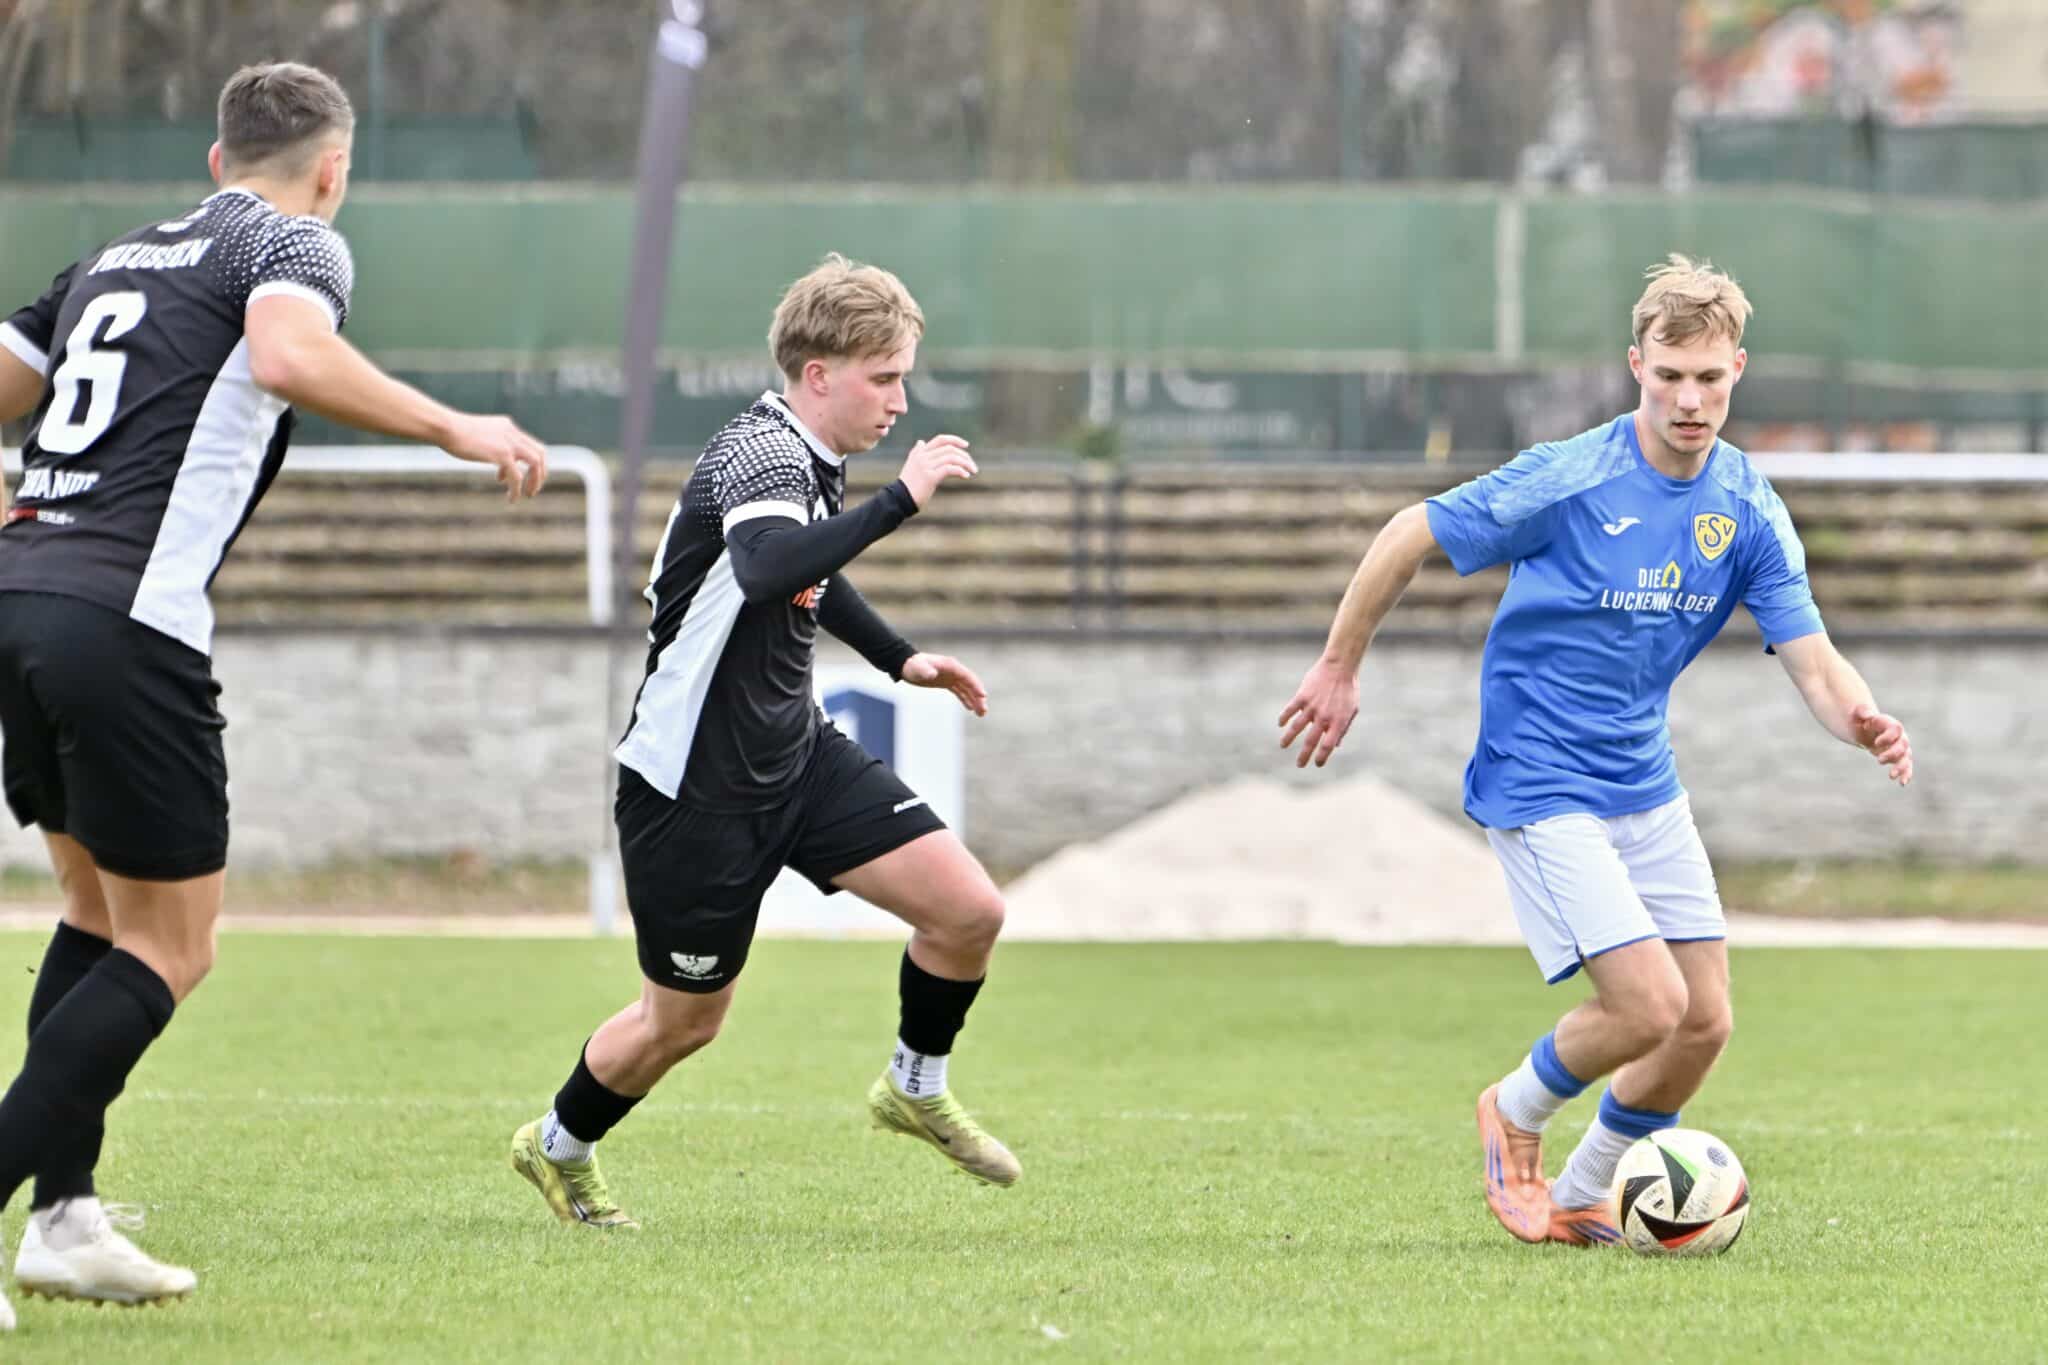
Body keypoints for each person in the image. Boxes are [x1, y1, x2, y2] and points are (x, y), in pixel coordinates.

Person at [0, 61, 548, 1321]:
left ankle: (66, 1220)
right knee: (171, 946)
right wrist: (458, 427)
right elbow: (290, 354)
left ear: (214, 158)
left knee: (96, 915)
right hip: (122, 619)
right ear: (333, 170)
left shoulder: (110, 259)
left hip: (20, 596)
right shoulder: (289, 240)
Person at [1278, 254, 1913, 1247]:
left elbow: (1815, 663)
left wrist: (1862, 718)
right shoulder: (1572, 477)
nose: (1690, 400)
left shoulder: (1745, 507)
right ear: (1636, 367)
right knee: (1647, 1004)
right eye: (1671, 376)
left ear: (1738, 372)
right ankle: (1513, 1110)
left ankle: (1582, 1193)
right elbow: (1409, 531)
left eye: (1709, 378)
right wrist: (1337, 667)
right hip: (1538, 778)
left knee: (1702, 1022)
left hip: (1642, 783)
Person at [508, 254, 1015, 1230]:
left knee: (967, 913)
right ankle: (557, 1144)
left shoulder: (810, 460)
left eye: (903, 378)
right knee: (681, 1022)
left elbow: (810, 576)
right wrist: (900, 500)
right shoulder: (760, 454)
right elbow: (766, 566)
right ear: (818, 374)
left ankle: (913, 1085)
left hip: (798, 760)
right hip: (692, 789)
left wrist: (899, 657)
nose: (900, 402)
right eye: (884, 378)